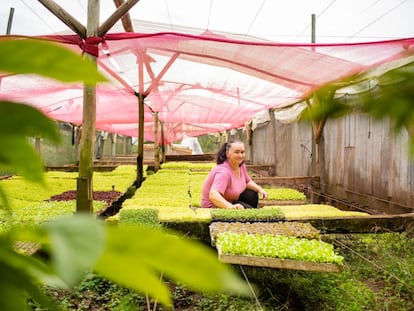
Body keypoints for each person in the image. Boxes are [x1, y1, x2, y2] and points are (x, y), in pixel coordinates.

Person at [201, 140, 268, 209]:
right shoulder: (223, 172)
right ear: (228, 154)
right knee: (249, 211)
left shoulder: (241, 166)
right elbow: (213, 195)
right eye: (236, 152)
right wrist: (230, 206)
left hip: (230, 200)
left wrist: (260, 189)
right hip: (215, 206)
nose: (240, 155)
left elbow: (247, 181)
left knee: (251, 194)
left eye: (242, 152)